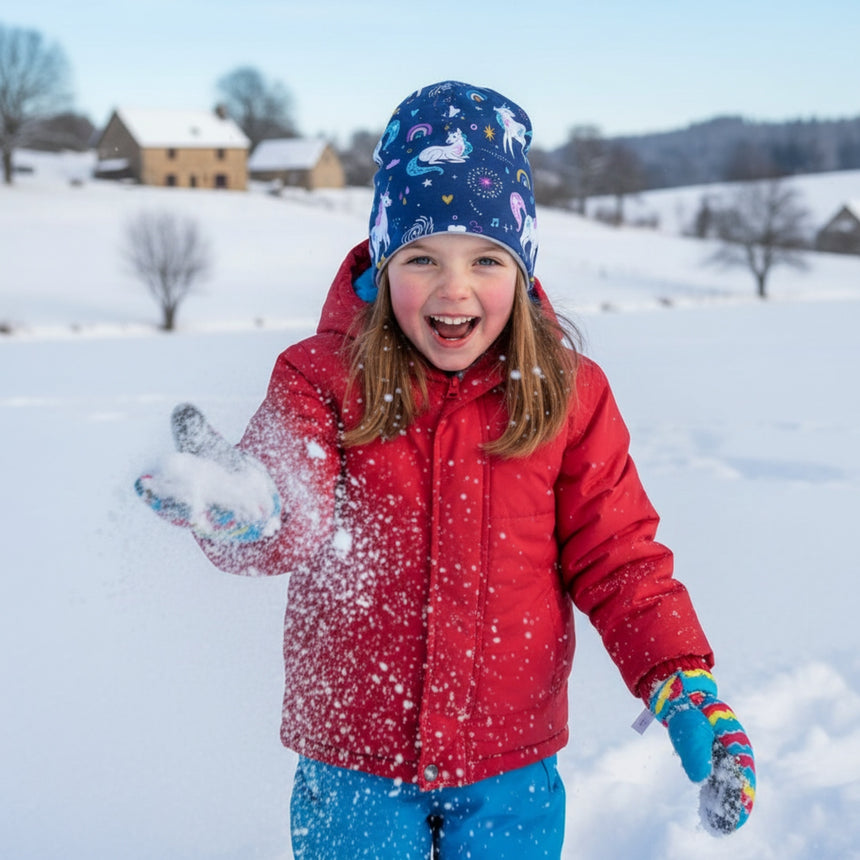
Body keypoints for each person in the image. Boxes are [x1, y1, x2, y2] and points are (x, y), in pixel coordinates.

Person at [136, 81, 756, 858]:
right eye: (422, 256)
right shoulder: (320, 380)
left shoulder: (568, 395)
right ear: (383, 263)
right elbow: (289, 506)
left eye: (486, 259)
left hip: (512, 765)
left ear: (523, 270)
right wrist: (251, 511)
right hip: (353, 763)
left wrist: (680, 681)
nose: (454, 288)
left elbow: (618, 556)